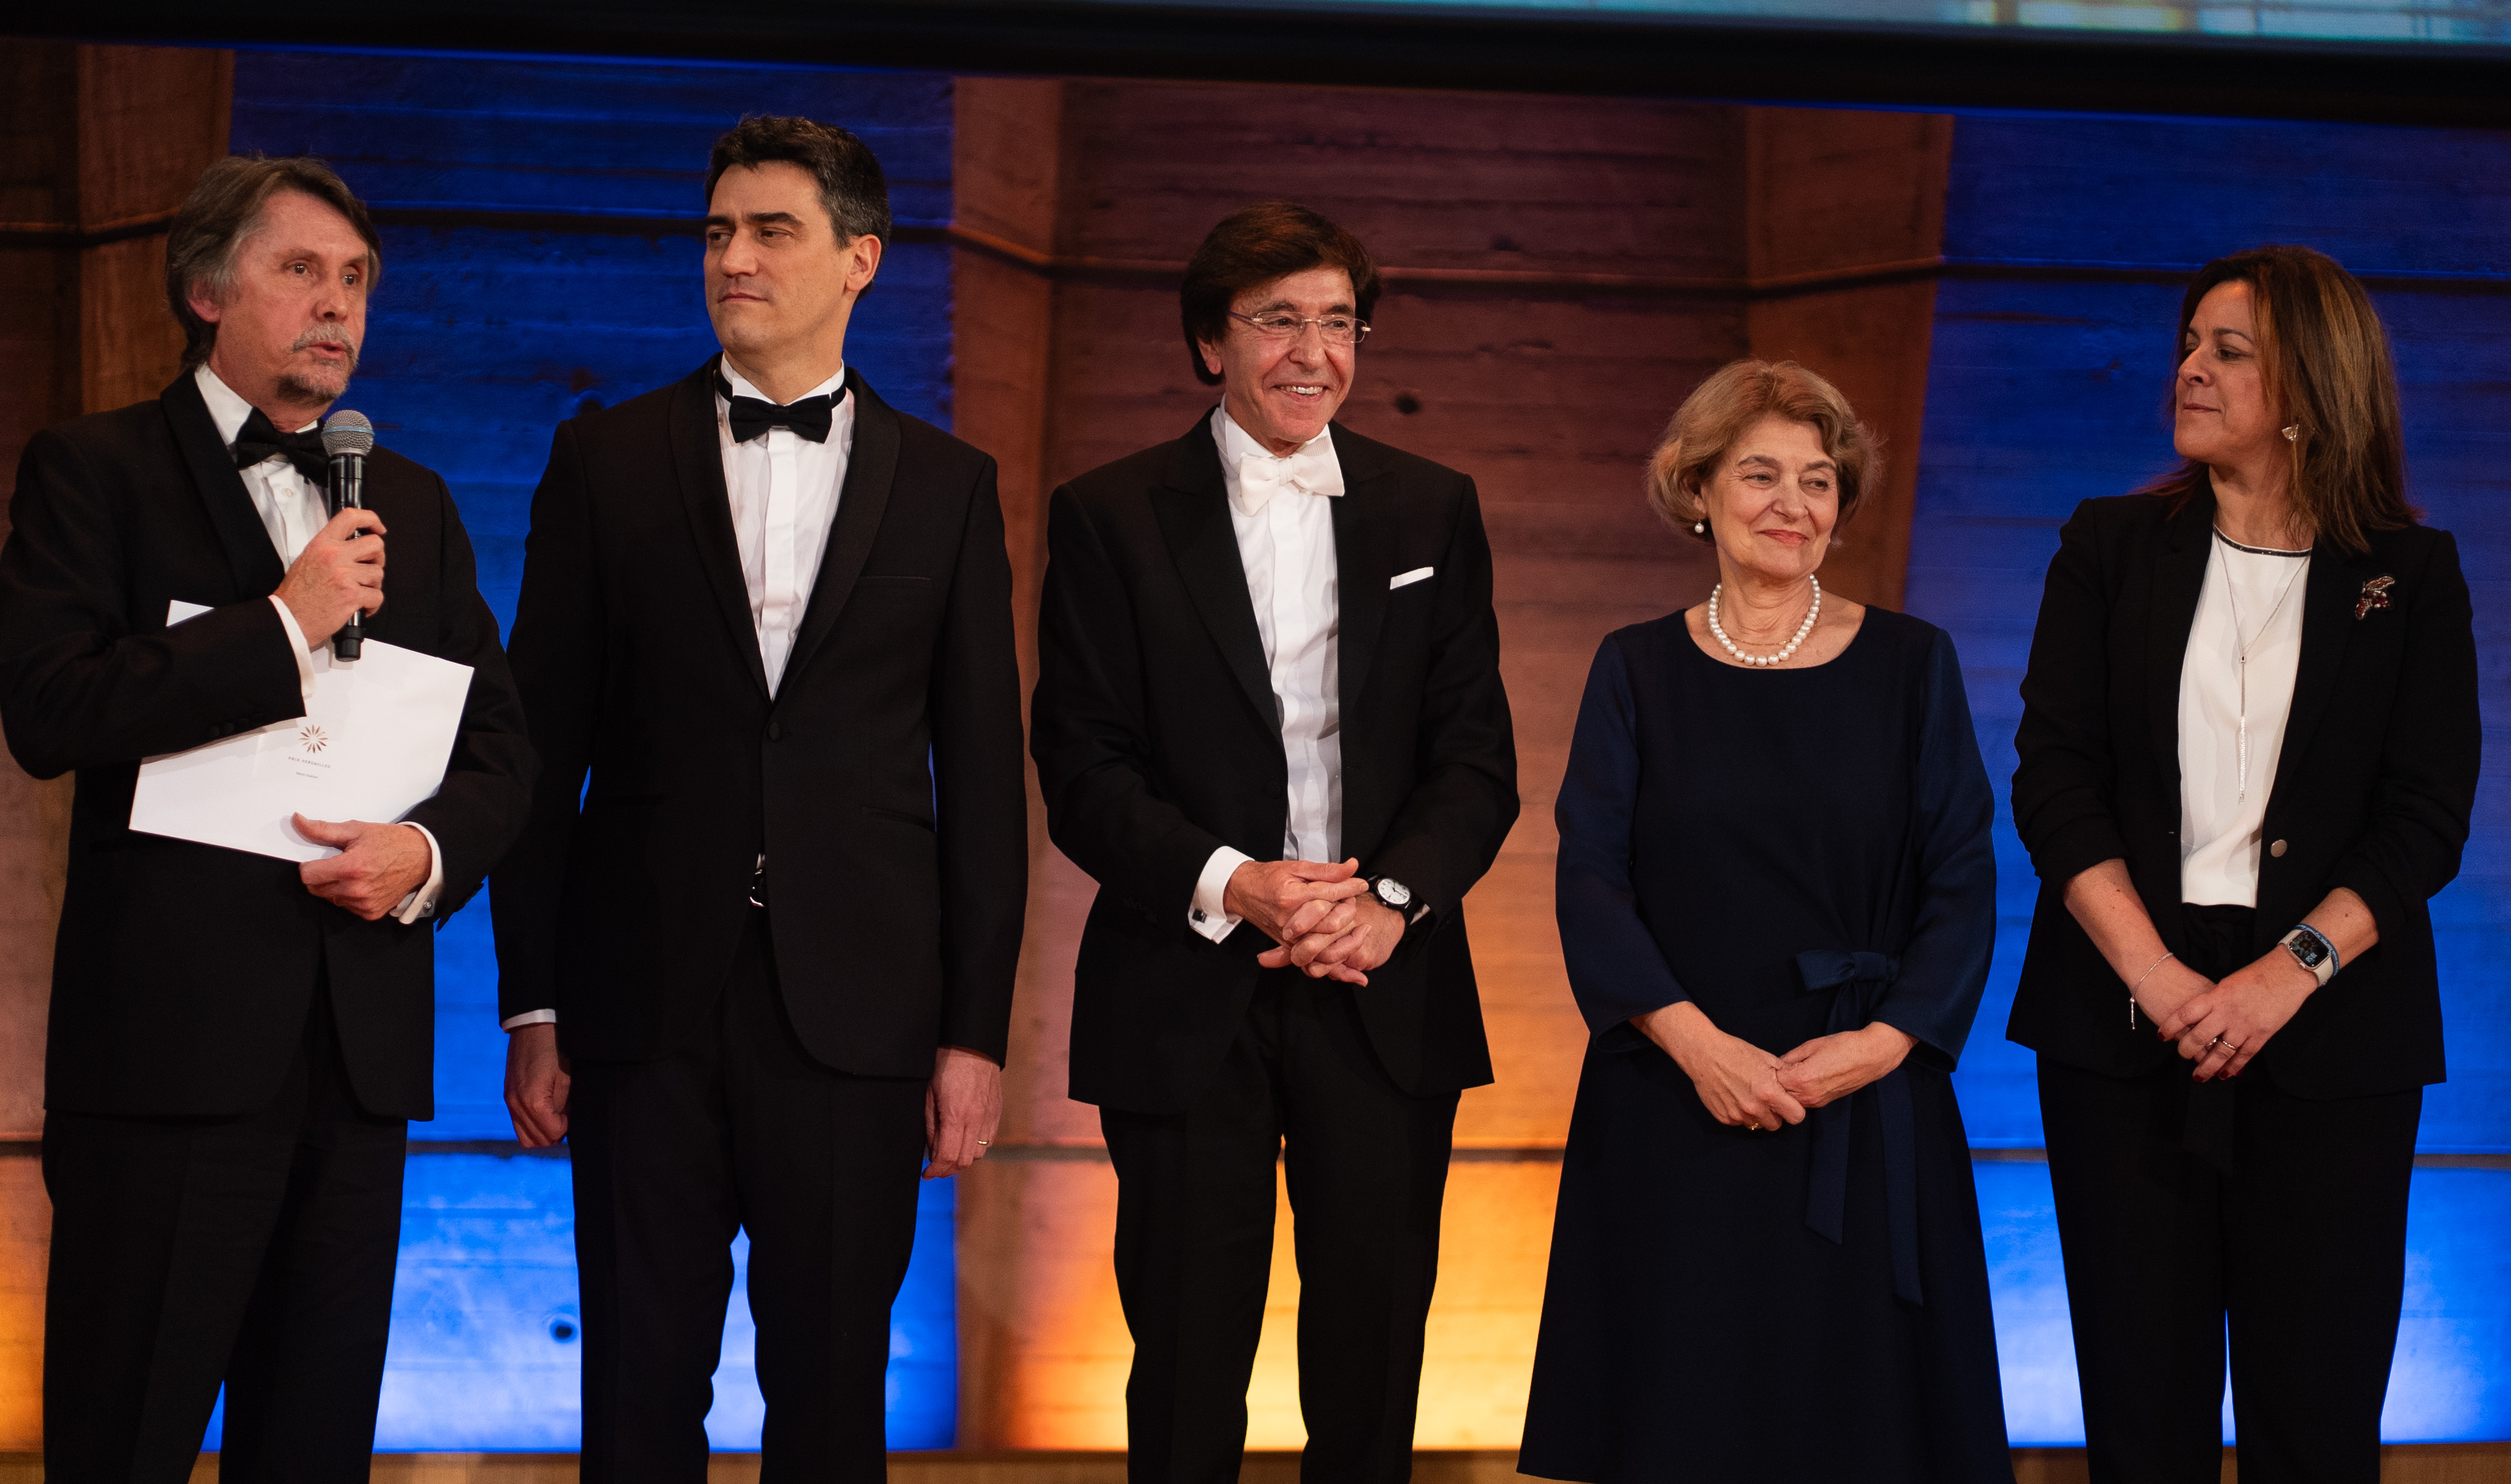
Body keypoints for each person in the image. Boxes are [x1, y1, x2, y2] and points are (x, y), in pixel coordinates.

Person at [488, 116, 1026, 1480]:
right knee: (636, 1390)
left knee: (834, 1400)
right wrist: (532, 1003)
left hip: (858, 1016)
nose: (733, 257)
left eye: (771, 231)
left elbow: (982, 780)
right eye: (718, 230)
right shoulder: (604, 462)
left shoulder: (952, 487)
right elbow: (537, 753)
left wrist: (974, 1034)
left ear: (860, 260)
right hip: (638, 1004)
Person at [0, 154, 534, 1481]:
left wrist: (424, 853)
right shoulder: (95, 470)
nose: (337, 305)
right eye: (301, 270)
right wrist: (286, 621)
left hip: (355, 1068)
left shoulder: (412, 500)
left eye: (355, 279)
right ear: (205, 290)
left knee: (314, 1452)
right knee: (125, 1442)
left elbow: (500, 750)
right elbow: (50, 711)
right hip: (164, 1068)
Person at [1030, 201, 1518, 1483]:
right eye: (1279, 321)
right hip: (1185, 986)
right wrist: (1236, 883)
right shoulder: (1109, 514)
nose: (1315, 352)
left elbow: (1477, 760)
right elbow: (1082, 766)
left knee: (1373, 1372)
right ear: (1211, 343)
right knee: (1186, 1376)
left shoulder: (1433, 508)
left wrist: (1387, 901)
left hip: (1384, 985)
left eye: (1339, 323)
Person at [2008, 244, 2477, 1484]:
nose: (2189, 369)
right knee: (2138, 1415)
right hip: (2126, 1015)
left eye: (2228, 351)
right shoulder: (2108, 543)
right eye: (2187, 344)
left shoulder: (2409, 574)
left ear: (2312, 383)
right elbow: (2053, 782)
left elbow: (2426, 816)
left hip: (2330, 1020)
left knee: (2314, 1420)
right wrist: (2154, 975)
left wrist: (2289, 971)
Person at [1519, 359, 2012, 1483]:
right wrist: (1698, 1047)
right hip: (1675, 1097)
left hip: (1865, 1093)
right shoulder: (1633, 666)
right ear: (1697, 489)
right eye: (1759, 474)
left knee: (1865, 1432)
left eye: (1817, 480)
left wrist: (1883, 1043)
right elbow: (1589, 877)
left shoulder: (1913, 662)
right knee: (1682, 1423)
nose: (1792, 502)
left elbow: (1961, 877)